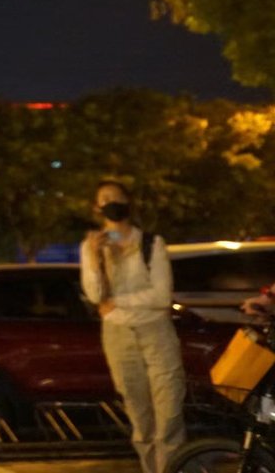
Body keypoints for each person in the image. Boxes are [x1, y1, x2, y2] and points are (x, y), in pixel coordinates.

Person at [79, 180, 186, 473]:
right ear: (96, 207)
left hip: (156, 332)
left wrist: (120, 301)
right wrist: (94, 257)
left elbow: (161, 296)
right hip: (117, 335)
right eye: (104, 199)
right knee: (139, 415)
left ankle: (172, 468)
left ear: (129, 202)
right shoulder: (91, 246)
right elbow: (95, 295)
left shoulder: (151, 243)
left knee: (169, 411)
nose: (112, 202)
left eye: (117, 197)